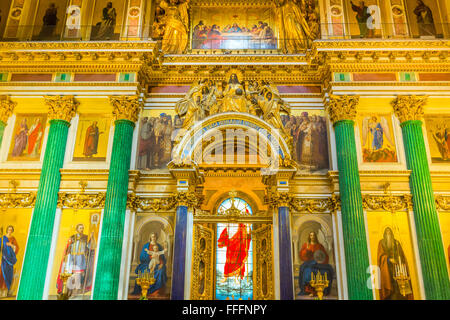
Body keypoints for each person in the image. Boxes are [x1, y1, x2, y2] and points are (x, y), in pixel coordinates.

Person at [56, 224, 96, 297]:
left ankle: (75, 292)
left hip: (80, 258)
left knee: (78, 276)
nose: (82, 229)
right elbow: (68, 247)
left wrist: (92, 238)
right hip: (71, 258)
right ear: (77, 229)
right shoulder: (72, 237)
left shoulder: (85, 237)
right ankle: (68, 292)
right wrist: (66, 255)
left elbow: (89, 247)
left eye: (82, 228)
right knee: (70, 275)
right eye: (80, 228)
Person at [377, 227, 413, 300]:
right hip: (387, 269)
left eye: (389, 233)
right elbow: (380, 256)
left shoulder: (396, 242)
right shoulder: (382, 243)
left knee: (399, 288)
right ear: (384, 234)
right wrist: (388, 259)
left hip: (398, 269)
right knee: (391, 289)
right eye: (386, 233)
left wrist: (397, 260)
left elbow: (401, 255)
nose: (388, 234)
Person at [298, 231, 334, 297]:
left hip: (319, 263)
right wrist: (307, 250)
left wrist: (321, 260)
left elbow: (325, 256)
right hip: (309, 263)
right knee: (308, 271)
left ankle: (323, 290)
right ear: (309, 237)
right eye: (311, 235)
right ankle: (311, 291)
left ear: (315, 236)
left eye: (314, 235)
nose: (312, 237)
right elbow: (301, 256)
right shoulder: (306, 245)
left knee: (327, 270)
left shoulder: (320, 246)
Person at [132, 232, 168, 297]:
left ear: (156, 237)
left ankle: (156, 291)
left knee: (161, 271)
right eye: (152, 237)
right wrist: (151, 257)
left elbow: (162, 257)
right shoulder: (146, 246)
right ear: (150, 238)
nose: (153, 238)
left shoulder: (159, 246)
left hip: (158, 263)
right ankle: (144, 291)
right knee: (144, 271)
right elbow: (142, 257)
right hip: (147, 263)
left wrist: (161, 264)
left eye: (155, 236)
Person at [0, 226, 19, 297]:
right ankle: (1, 291)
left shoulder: (13, 239)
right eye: (9, 229)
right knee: (2, 274)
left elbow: (16, 248)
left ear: (12, 231)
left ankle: (6, 291)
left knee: (9, 275)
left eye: (11, 230)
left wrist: (11, 245)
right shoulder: (2, 239)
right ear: (7, 230)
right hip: (3, 260)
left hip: (10, 261)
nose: (10, 231)